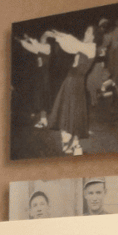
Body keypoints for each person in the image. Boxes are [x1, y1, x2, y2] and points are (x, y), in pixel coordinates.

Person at [46, 26, 98, 155]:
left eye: (89, 31)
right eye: (86, 30)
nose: (85, 33)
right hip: (71, 81)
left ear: (94, 36)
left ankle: (72, 143)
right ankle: (70, 143)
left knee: (72, 111)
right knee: (69, 110)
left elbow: (73, 43)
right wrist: (59, 34)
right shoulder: (84, 46)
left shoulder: (91, 47)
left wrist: (59, 35)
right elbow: (69, 46)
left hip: (75, 82)